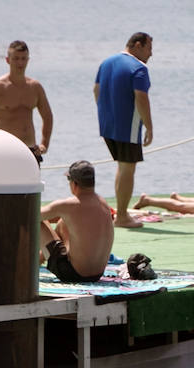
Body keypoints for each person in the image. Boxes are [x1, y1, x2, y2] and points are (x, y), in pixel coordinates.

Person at [94, 32, 153, 229]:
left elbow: (96, 90)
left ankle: (121, 212)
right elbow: (141, 98)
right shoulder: (139, 68)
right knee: (128, 168)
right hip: (127, 126)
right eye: (149, 48)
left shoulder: (107, 62)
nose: (151, 54)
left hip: (107, 125)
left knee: (123, 166)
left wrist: (104, 113)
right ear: (137, 45)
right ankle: (121, 217)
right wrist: (149, 126)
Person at [0, 40, 53, 164]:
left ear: (28, 60)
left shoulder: (35, 87)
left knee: (31, 184)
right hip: (4, 152)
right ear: (8, 60)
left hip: (30, 152)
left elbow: (47, 117)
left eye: (23, 58)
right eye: (16, 58)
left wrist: (44, 145)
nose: (20, 63)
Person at [39, 161, 114, 283]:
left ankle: (30, 260)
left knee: (38, 222)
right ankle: (40, 257)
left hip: (72, 274)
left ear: (74, 183)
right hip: (97, 275)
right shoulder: (103, 203)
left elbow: (32, 215)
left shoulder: (69, 205)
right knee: (63, 222)